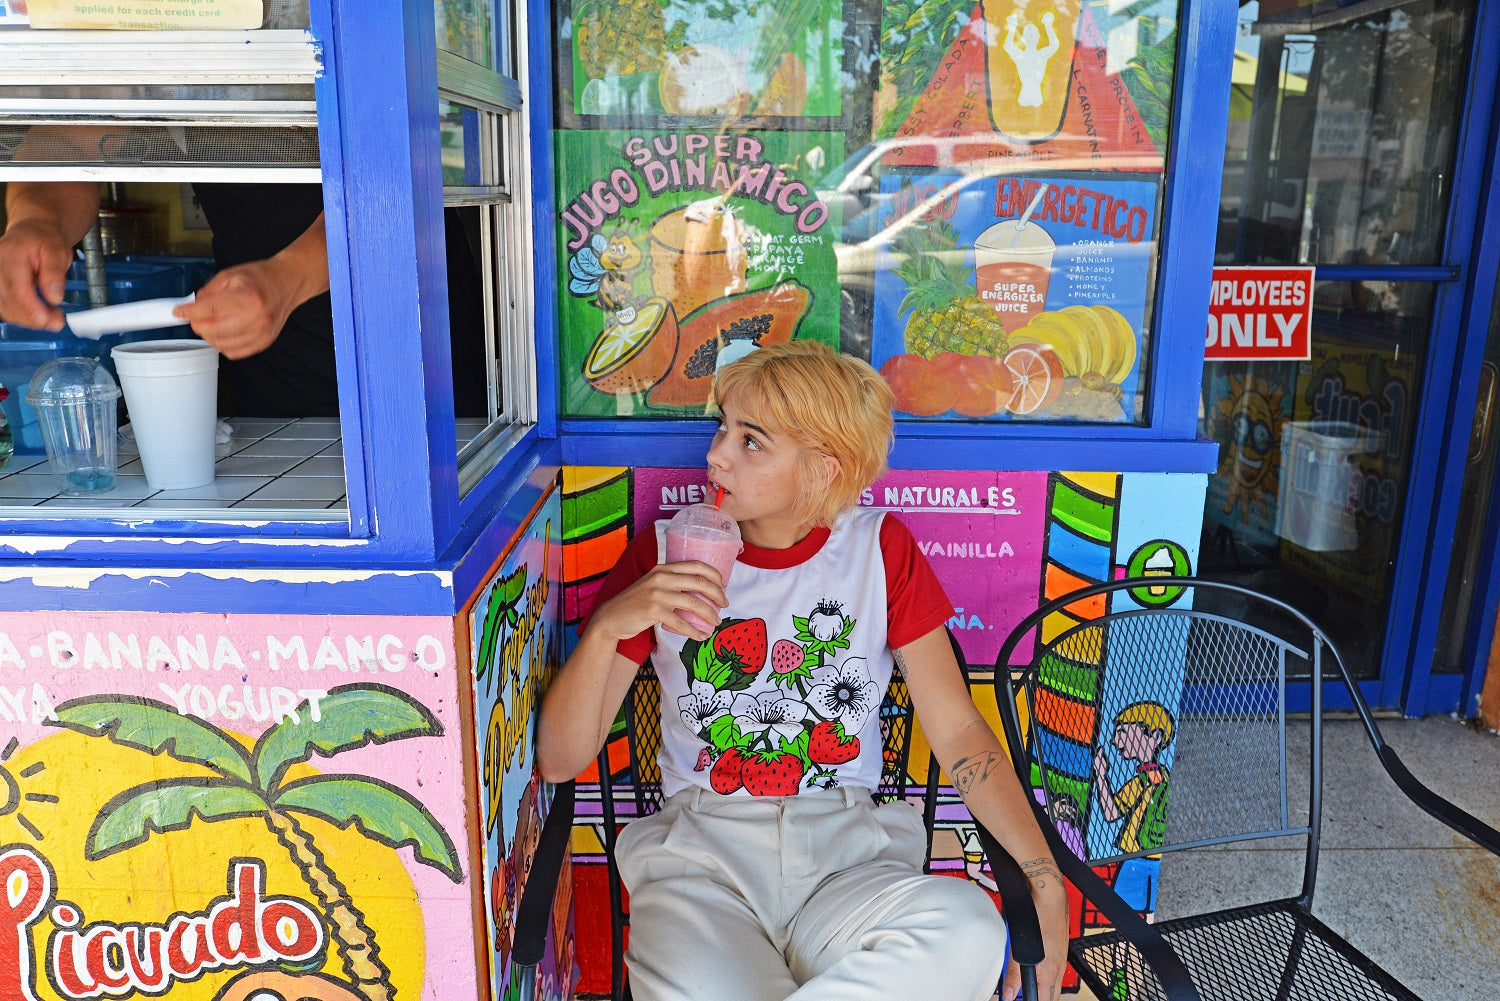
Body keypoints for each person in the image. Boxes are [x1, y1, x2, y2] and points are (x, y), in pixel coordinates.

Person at [537, 341, 1069, 1001]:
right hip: (703, 866)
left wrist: (1043, 878)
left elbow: (959, 731)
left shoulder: (879, 550)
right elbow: (561, 759)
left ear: (823, 468)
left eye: (751, 441)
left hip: (848, 862)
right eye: (722, 427)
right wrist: (615, 621)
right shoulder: (665, 551)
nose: (716, 455)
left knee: (967, 930)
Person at [0, 178, 487, 417]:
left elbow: (391, 170)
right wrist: (37, 220)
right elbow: (76, 129)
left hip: (402, 298)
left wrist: (288, 277)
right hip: (253, 311)